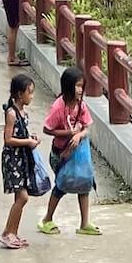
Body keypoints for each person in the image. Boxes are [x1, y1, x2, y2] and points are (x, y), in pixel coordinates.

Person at [37, 65, 99, 237]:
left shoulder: (81, 105)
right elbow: (47, 129)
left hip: (79, 153)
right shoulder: (58, 107)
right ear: (68, 86)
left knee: (84, 184)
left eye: (82, 86)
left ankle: (84, 222)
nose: (80, 90)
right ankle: (47, 219)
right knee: (62, 185)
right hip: (61, 153)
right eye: (77, 86)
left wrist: (79, 136)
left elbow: (87, 128)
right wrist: (67, 133)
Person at [0, 72, 41, 250]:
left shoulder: (23, 113)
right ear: (19, 94)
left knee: (20, 196)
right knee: (23, 197)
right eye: (29, 92)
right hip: (13, 160)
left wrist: (31, 138)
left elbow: (21, 133)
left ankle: (13, 233)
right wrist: (27, 142)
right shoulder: (11, 113)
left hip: (22, 159)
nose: (31, 96)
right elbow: (8, 139)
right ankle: (7, 232)